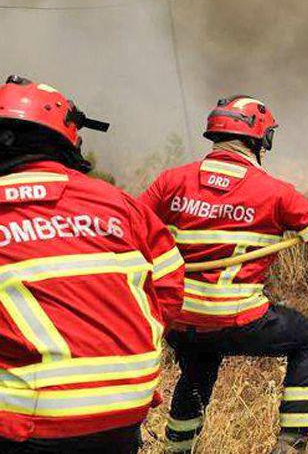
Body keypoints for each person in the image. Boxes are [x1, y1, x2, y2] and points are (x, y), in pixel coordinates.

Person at [139, 95, 308, 454]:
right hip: (237, 317)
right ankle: (292, 442)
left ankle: (177, 448)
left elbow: (131, 223)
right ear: (260, 139)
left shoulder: (171, 181)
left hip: (179, 319)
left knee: (197, 367)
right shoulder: (273, 192)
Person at [0, 75, 186, 454]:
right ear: (67, 137)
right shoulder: (119, 203)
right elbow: (168, 286)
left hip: (30, 420)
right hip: (125, 406)